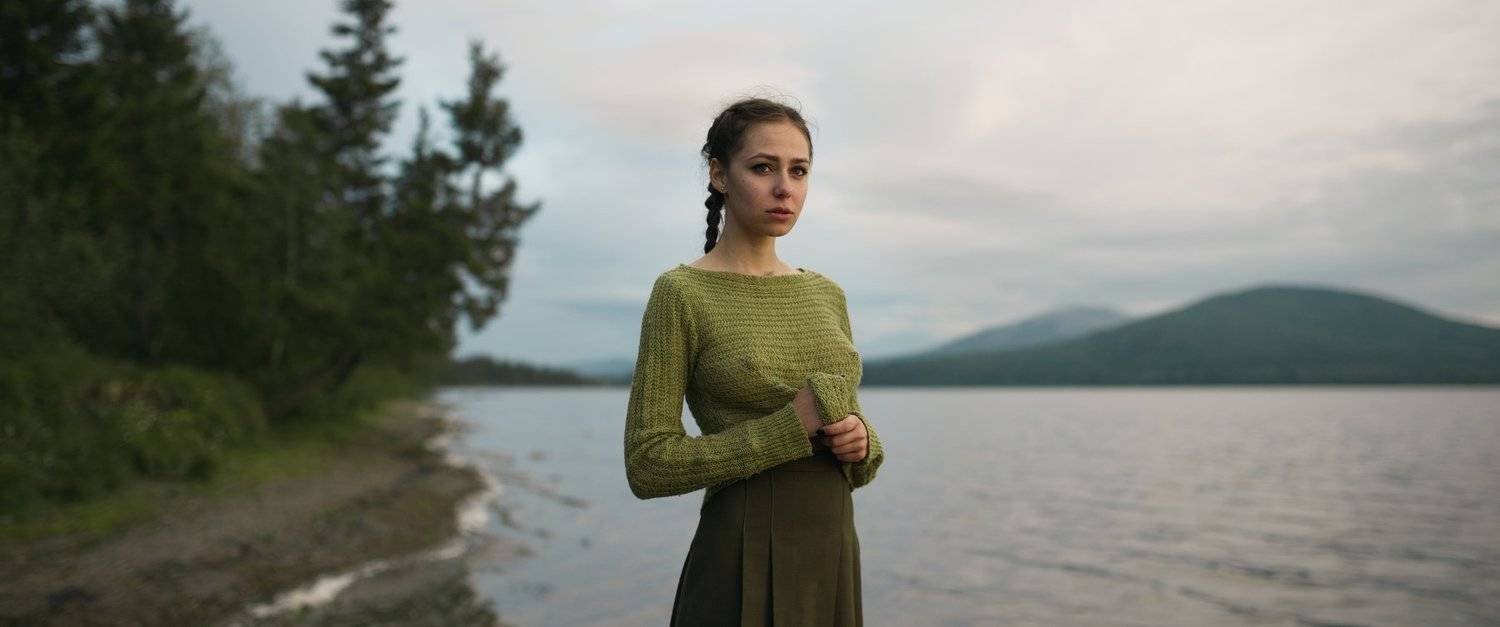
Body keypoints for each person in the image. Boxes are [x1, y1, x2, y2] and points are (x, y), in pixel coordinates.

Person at [623, 96, 885, 626]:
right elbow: (648, 464)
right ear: (719, 174)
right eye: (763, 168)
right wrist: (787, 429)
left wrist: (862, 441)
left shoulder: (827, 295)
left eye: (799, 170)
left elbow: (851, 440)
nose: (784, 187)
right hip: (741, 541)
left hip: (832, 545)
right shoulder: (681, 293)